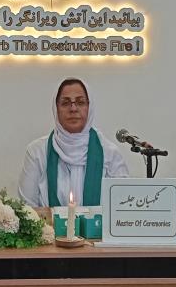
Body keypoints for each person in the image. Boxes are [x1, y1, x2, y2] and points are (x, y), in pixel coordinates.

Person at [19, 78, 130, 207]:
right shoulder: (37, 152)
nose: (73, 109)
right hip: (46, 221)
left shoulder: (110, 153)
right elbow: (27, 208)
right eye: (65, 103)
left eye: (80, 102)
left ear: (89, 107)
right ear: (56, 108)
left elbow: (122, 205)